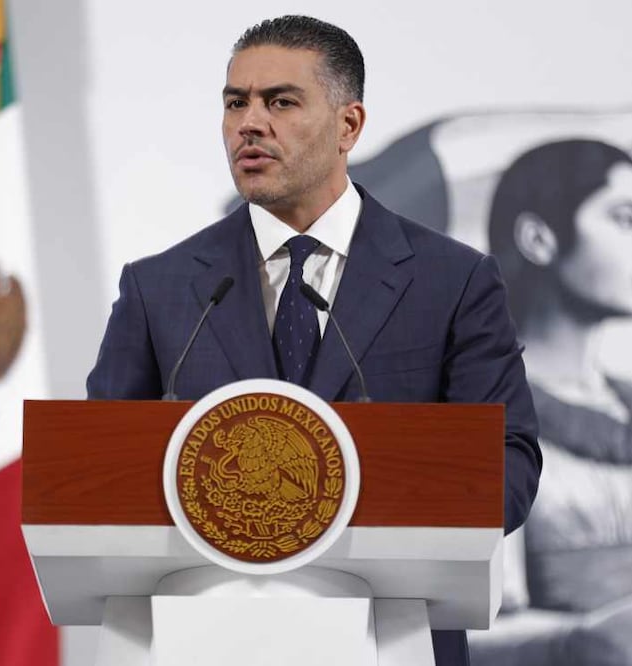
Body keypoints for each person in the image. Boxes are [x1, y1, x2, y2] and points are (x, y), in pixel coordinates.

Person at [85, 15, 542, 666]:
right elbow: (98, 474)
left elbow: (509, 465)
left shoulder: (452, 280)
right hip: (206, 640)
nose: (249, 123)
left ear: (348, 125)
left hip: (392, 639)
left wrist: (342, 510)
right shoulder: (159, 288)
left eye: (280, 102)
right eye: (234, 103)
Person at [469, 139, 632, 665]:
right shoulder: (475, 411)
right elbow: (460, 629)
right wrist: (584, 640)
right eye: (625, 219)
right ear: (539, 239)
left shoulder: (621, 403)